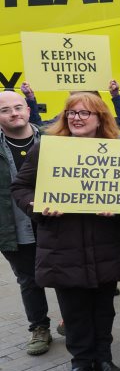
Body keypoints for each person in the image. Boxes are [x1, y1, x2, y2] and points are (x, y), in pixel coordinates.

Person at [12, 93, 120, 371]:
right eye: (71, 113)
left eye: (84, 113)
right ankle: (80, 363)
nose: (76, 118)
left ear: (100, 119)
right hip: (63, 245)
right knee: (73, 310)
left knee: (103, 308)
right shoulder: (47, 150)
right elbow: (20, 187)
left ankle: (104, 358)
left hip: (105, 244)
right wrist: (38, 205)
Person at [0, 90, 53, 355]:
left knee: (67, 274)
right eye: (5, 110)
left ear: (28, 110)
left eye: (18, 107)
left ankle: (71, 319)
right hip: (13, 225)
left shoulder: (53, 140)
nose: (14, 113)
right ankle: (39, 327)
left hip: (55, 222)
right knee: (29, 280)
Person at [22, 80, 120, 130]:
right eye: (72, 111)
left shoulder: (104, 125)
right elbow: (38, 127)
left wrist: (115, 95)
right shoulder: (64, 119)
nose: (76, 117)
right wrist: (30, 98)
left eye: (84, 113)